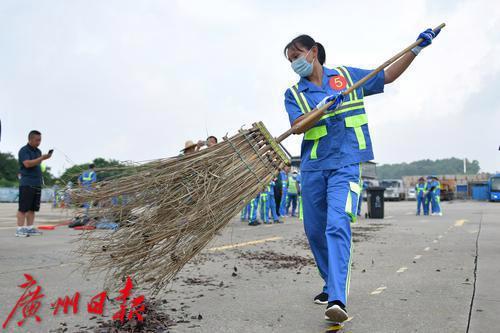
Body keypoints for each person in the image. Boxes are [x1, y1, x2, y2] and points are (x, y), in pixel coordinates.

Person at [283, 28, 440, 323]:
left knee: (337, 224)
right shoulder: (293, 93)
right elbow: (298, 126)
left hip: (346, 165)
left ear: (313, 52)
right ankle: (330, 281)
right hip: (314, 170)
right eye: (290, 61)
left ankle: (337, 297)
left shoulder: (346, 76)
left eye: (296, 56)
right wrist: (320, 109)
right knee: (315, 232)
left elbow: (387, 75)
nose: (294, 64)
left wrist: (416, 49)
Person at [16, 130, 52, 237]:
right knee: (23, 208)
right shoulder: (24, 150)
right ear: (30, 139)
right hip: (27, 183)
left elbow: (37, 164)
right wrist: (42, 158)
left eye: (40, 140)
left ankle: (30, 228)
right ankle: (19, 229)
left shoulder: (38, 151)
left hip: (37, 183)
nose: (39, 142)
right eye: (37, 140)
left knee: (32, 208)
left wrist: (41, 157)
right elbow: (27, 164)